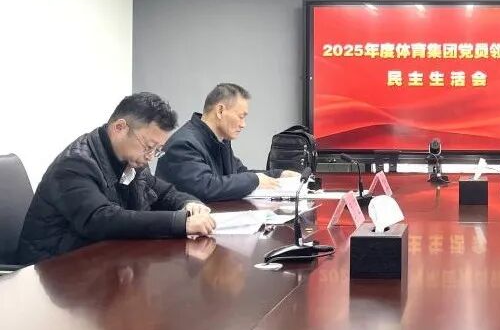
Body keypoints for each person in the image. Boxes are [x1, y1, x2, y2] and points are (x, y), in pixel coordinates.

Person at [17, 93, 215, 265]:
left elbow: (163, 192)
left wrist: (189, 204)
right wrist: (180, 223)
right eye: (148, 147)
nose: (150, 156)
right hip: (52, 270)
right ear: (120, 128)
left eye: (157, 150)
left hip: (97, 261)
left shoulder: (133, 161)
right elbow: (101, 219)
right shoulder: (76, 164)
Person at [156, 83, 298, 201]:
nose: (243, 124)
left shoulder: (220, 140)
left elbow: (241, 174)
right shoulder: (184, 144)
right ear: (220, 111)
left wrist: (279, 175)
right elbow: (205, 187)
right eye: (241, 116)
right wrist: (255, 180)